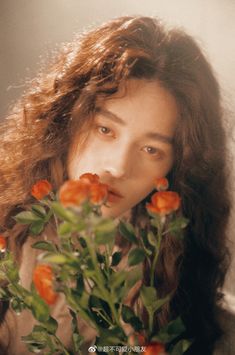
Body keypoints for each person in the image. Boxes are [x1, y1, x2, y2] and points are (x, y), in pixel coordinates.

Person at [0, 15, 234, 354]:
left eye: (151, 149)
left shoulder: (176, 283)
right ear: (66, 119)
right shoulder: (10, 238)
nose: (118, 167)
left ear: (176, 167)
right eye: (105, 129)